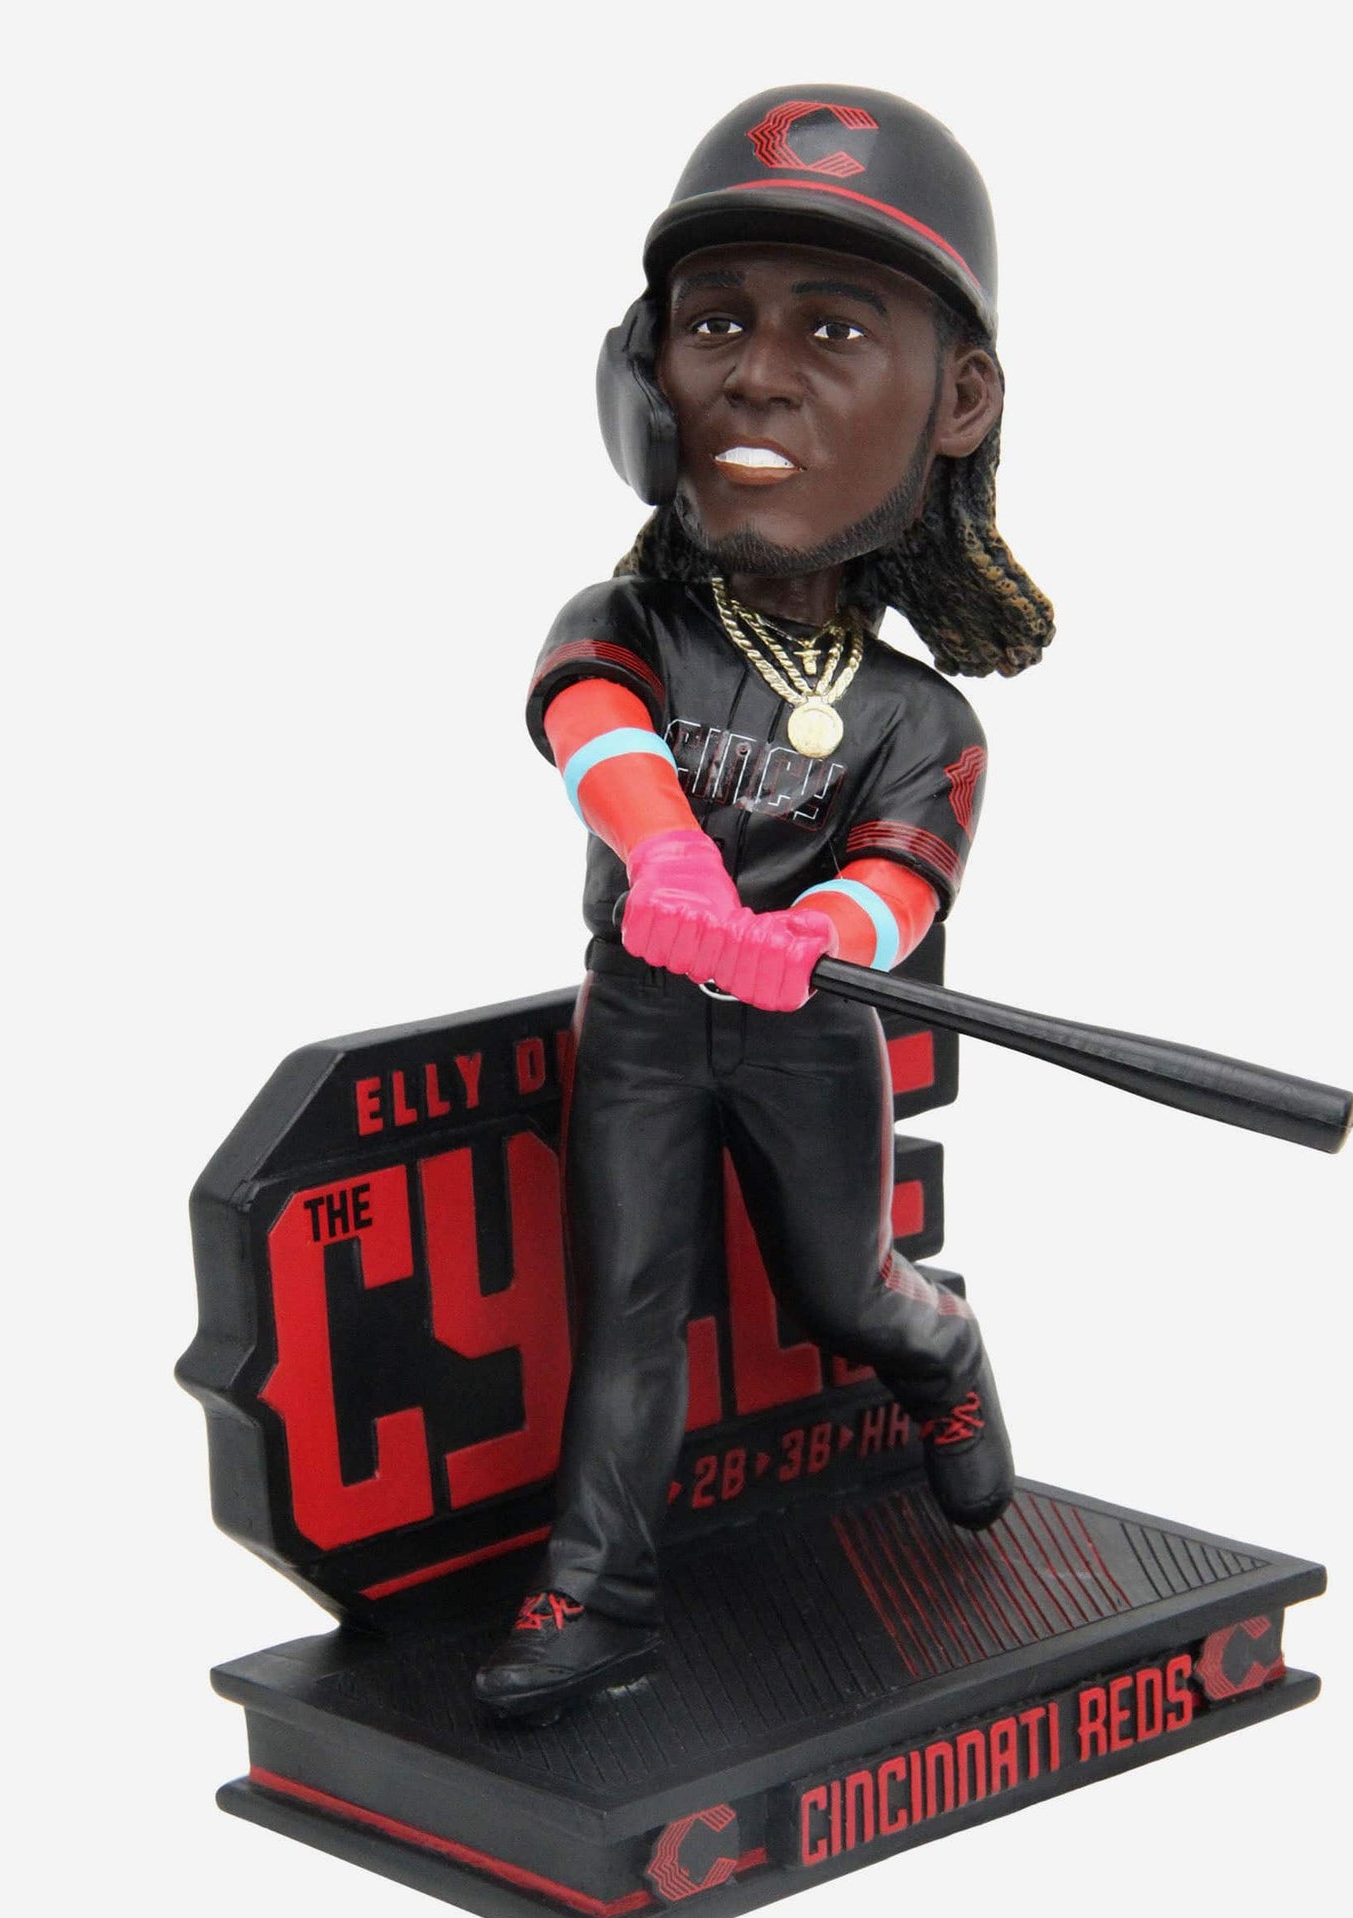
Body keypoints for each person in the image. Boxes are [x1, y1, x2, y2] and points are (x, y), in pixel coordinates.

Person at [475, 87, 1055, 1721]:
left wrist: (814, 939)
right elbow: (594, 730)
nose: (755, 372)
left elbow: (903, 881)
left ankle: (942, 1350)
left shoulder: (921, 718)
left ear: (957, 399)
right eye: (716, 322)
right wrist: (667, 862)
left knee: (839, 1290)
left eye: (835, 330)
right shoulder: (631, 622)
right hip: (648, 1022)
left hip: (808, 1036)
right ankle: (595, 1594)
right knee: (630, 1308)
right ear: (645, 370)